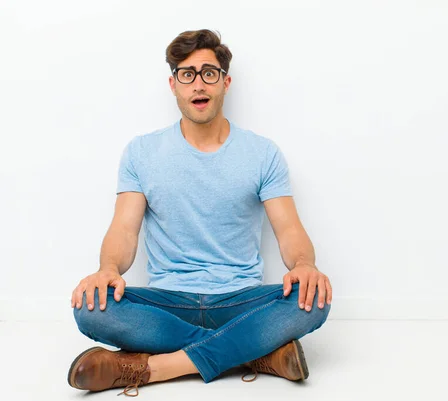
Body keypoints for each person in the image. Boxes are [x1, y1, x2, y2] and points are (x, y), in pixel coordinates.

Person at [67, 29, 332, 397]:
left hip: (239, 298)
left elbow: (288, 229)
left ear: (225, 82)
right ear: (173, 84)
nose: (198, 84)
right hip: (168, 302)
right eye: (187, 74)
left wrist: (304, 264)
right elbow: (124, 230)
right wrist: (107, 270)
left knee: (314, 299)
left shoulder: (262, 153)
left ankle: (152, 368)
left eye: (209, 73)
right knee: (90, 308)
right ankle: (253, 354)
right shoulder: (142, 152)